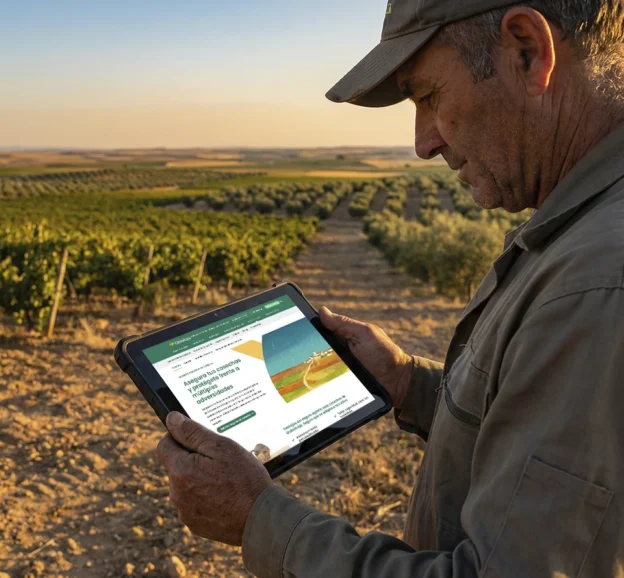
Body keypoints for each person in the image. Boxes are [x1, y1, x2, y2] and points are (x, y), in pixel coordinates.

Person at [156, 0, 624, 575]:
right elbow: (542, 430)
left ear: (527, 51)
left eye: (428, 95)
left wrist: (259, 519)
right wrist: (406, 381)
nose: (423, 143)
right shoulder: (581, 230)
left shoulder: (598, 282)